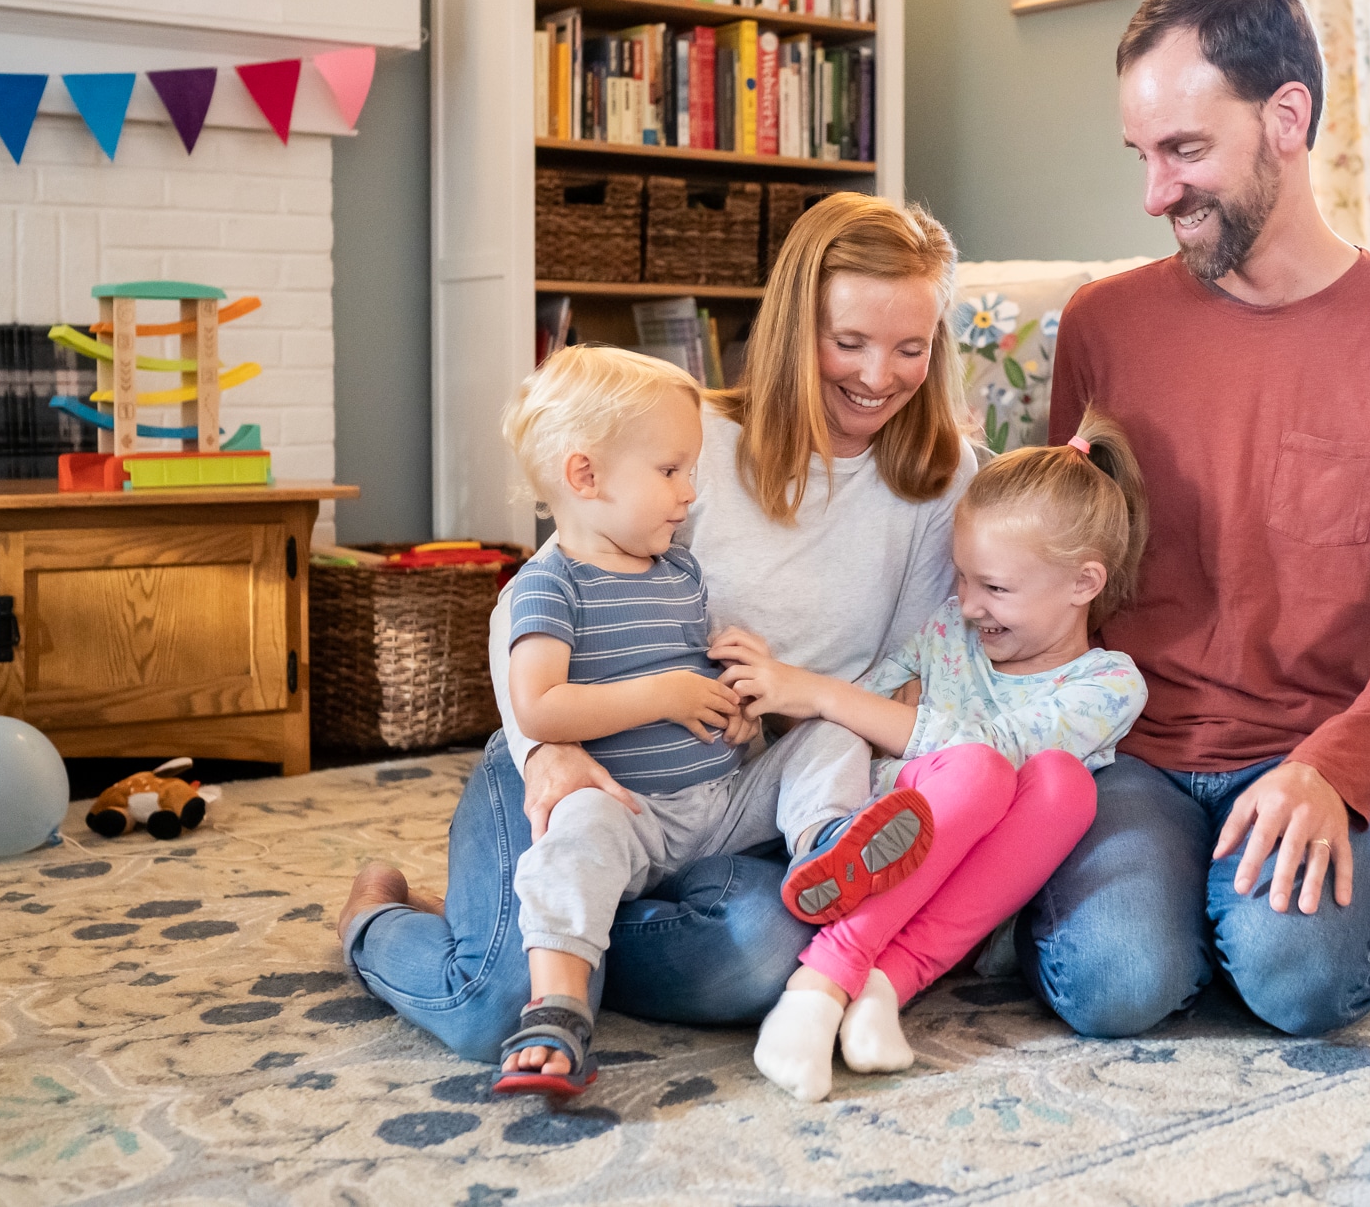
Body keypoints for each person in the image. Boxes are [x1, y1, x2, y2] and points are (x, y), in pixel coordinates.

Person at [339, 193, 976, 1061]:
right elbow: (534, 600)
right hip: (590, 765)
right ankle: (380, 919)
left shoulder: (941, 481)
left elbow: (900, 678)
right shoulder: (691, 440)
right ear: (796, 327)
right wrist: (544, 749)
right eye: (850, 341)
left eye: (911, 347)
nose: (879, 375)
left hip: (733, 795)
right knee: (496, 1010)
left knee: (761, 952)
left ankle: (565, 928)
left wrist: (784, 719)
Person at [1017, 0, 1370, 1038]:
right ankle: (1157, 902)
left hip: (1307, 746)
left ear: (1287, 118)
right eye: (1141, 156)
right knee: (1115, 985)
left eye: (1184, 150)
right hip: (1126, 744)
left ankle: (1222, 908)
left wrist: (1333, 771)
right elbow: (1057, 564)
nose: (1155, 194)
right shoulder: (1102, 325)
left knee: (1301, 984)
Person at [483, 344, 933, 1095]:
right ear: (584, 476)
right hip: (630, 812)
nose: (689, 492)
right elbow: (539, 705)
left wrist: (739, 698)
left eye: (690, 470)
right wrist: (664, 695)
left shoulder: (680, 571)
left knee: (829, 730)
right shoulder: (550, 586)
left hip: (721, 804)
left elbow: (700, 675)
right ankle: (556, 1007)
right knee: (576, 831)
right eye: (670, 472)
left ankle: (826, 844)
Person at [717, 408, 1151, 1101]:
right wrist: (783, 694)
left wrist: (848, 700)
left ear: (1084, 583)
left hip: (972, 907)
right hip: (884, 852)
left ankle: (880, 985)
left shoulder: (1110, 684)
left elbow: (982, 746)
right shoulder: (950, 631)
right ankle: (822, 985)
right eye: (963, 578)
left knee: (1062, 781)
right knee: (977, 771)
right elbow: (860, 715)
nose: (970, 604)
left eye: (996, 588)